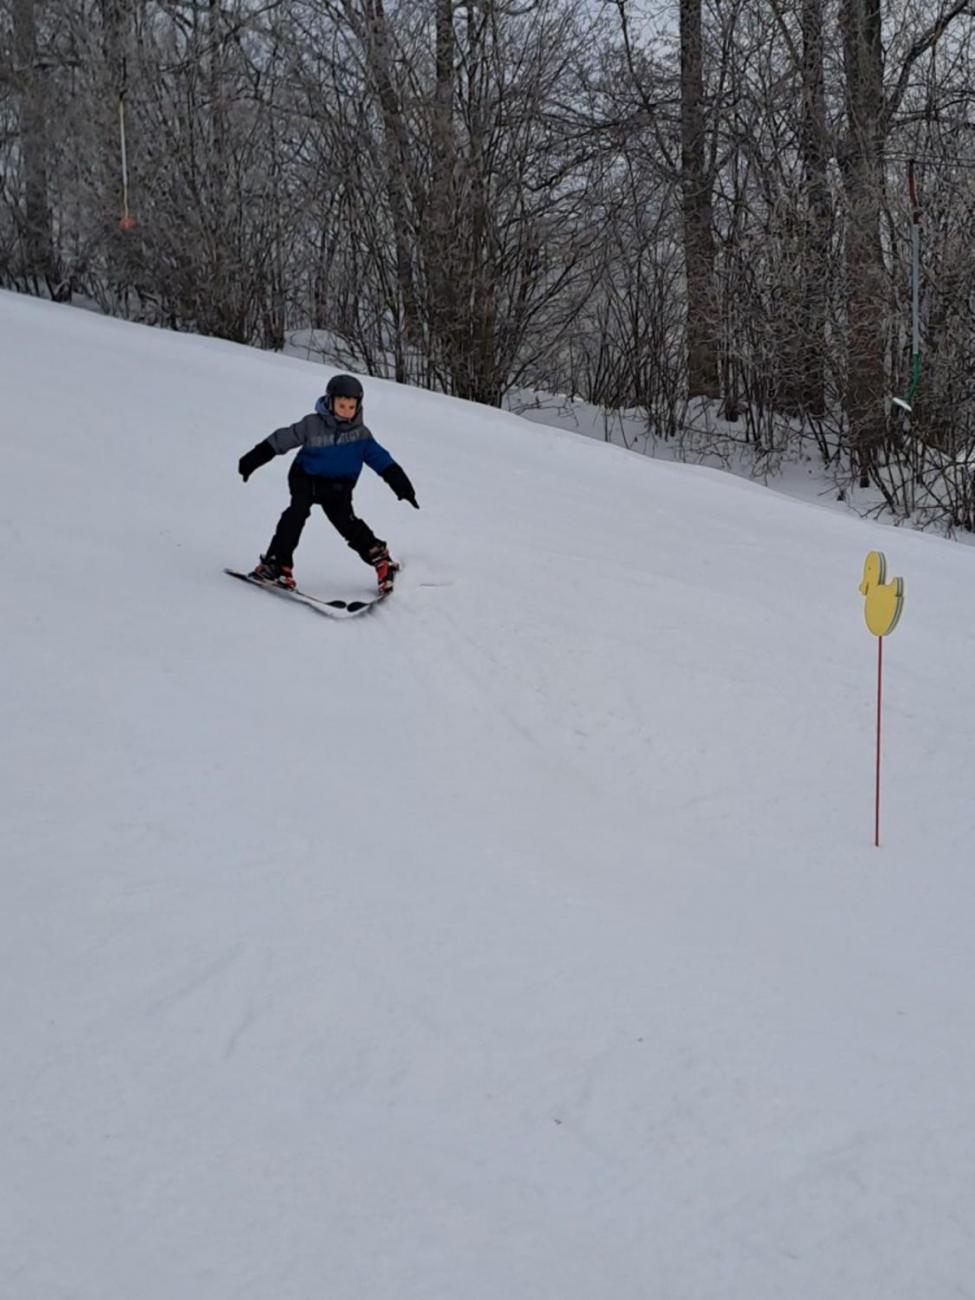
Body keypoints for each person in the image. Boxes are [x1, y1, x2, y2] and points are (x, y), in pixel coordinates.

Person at [238, 374, 418, 594]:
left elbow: (382, 460)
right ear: (330, 402)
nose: (346, 410)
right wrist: (253, 459)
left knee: (347, 524)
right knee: (296, 513)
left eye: (351, 406)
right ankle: (277, 564)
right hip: (305, 478)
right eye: (341, 405)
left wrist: (402, 485)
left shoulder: (361, 435)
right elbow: (283, 439)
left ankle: (381, 560)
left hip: (338, 487)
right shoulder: (312, 424)